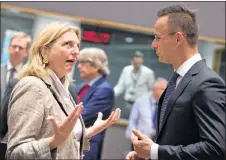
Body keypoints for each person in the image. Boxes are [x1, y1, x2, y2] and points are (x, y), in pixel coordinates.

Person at [6, 21, 121, 159]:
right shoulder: (32, 86)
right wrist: (54, 141)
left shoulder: (65, 89)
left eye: (77, 46)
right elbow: (15, 153)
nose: (76, 51)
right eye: (68, 44)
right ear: (45, 51)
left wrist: (88, 132)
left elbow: (63, 141)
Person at [126, 4, 225, 160]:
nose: (153, 44)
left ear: (178, 38)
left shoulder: (208, 83)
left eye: (158, 37)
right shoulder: (177, 79)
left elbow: (215, 148)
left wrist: (155, 152)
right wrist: (149, 154)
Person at [76, 47, 114, 160]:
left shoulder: (104, 89)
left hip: (86, 147)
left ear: (96, 66)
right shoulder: (81, 86)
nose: (78, 66)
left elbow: (83, 116)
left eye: (83, 62)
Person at [125, 78, 167, 147]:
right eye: (162, 89)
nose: (165, 92)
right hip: (140, 140)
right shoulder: (141, 101)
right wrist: (134, 139)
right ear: (154, 89)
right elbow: (133, 121)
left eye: (166, 90)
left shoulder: (167, 104)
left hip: (157, 144)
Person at [114, 51, 155, 119]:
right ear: (132, 61)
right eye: (136, 63)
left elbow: (152, 90)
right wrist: (111, 95)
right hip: (128, 103)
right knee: (126, 124)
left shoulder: (148, 73)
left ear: (142, 61)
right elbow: (120, 86)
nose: (137, 65)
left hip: (141, 105)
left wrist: (147, 102)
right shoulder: (126, 70)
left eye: (139, 63)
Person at [1, 31, 32, 101]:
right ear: (9, 48)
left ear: (27, 52)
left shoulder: (28, 76)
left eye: (20, 48)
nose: (17, 50)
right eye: (14, 46)